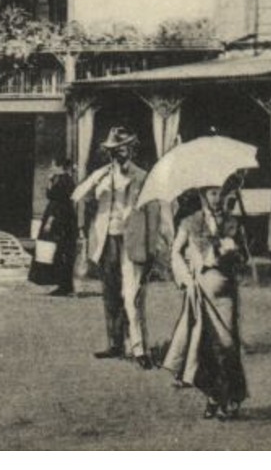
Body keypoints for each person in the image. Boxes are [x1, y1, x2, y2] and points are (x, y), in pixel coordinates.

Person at [165, 176, 250, 419]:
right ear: (203, 195)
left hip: (225, 292)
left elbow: (245, 258)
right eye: (212, 193)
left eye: (221, 193)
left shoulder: (233, 223)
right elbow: (175, 254)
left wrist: (234, 252)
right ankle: (214, 398)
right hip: (201, 290)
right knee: (205, 347)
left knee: (228, 344)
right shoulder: (190, 223)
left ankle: (230, 398)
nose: (218, 198)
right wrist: (186, 279)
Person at [73, 127, 152, 368]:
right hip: (107, 241)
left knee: (131, 296)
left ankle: (139, 348)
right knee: (110, 295)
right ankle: (115, 344)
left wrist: (152, 246)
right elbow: (77, 196)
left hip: (132, 240)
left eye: (124, 147)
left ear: (132, 149)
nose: (120, 152)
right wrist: (96, 181)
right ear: (110, 152)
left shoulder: (142, 176)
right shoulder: (102, 175)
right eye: (115, 149)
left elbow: (153, 212)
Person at [29, 162, 78, 296]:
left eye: (54, 165)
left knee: (59, 252)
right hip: (63, 219)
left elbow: (56, 200)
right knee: (62, 253)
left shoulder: (63, 181)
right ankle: (65, 285)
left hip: (58, 220)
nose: (51, 168)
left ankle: (64, 286)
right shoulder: (65, 180)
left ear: (60, 167)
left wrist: (50, 221)